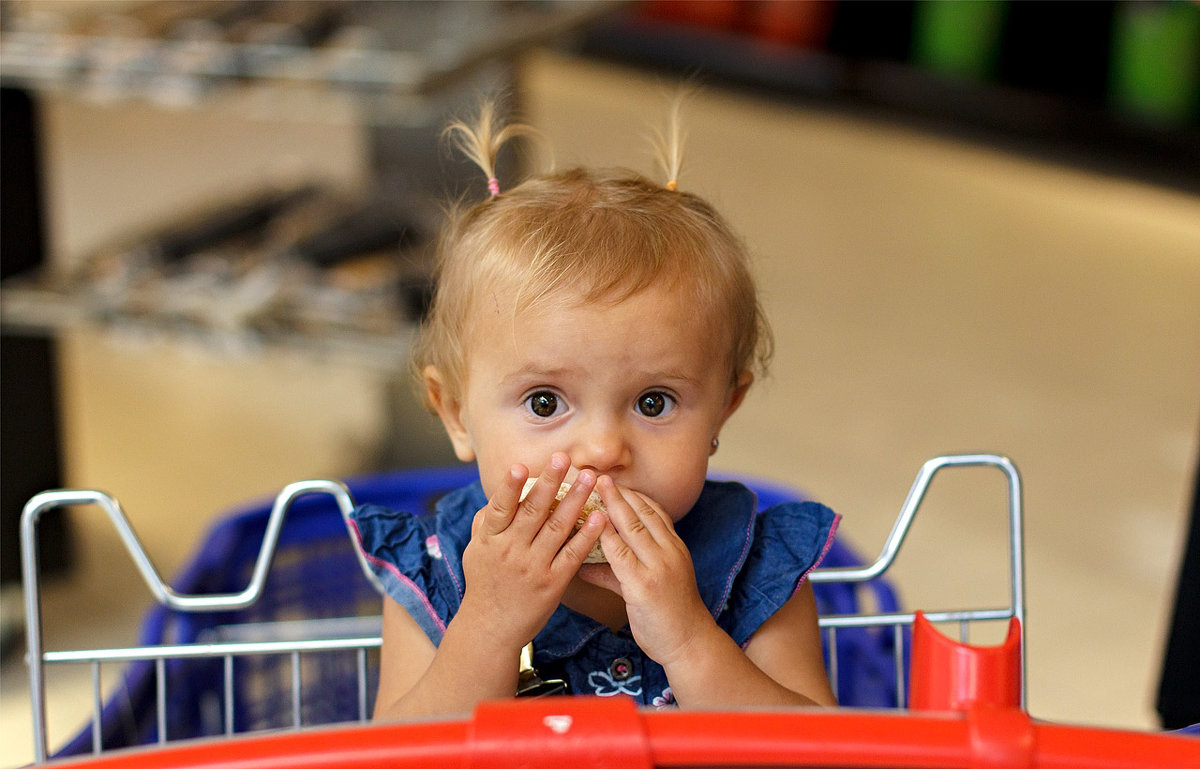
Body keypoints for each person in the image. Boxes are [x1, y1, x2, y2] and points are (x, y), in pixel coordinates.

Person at [351, 99, 840, 718]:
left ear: (723, 410)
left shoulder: (755, 566)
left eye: (653, 402)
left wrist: (689, 640)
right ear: (454, 413)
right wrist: (488, 627)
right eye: (545, 401)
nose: (604, 449)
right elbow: (396, 758)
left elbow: (817, 753)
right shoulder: (438, 570)